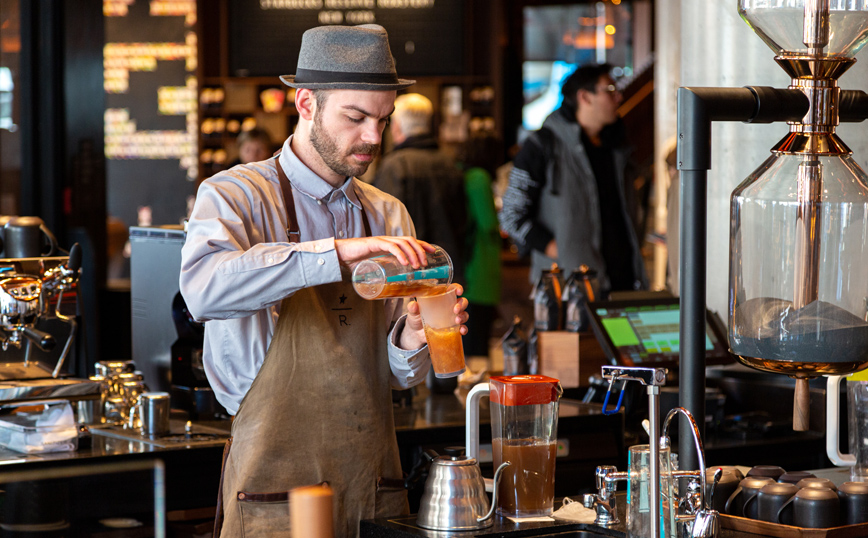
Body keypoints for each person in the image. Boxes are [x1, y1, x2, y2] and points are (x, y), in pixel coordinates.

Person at [179, 25, 469, 538]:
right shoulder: (235, 195)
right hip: (273, 495)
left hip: (370, 488)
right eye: (355, 118)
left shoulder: (388, 212)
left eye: (383, 120)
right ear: (307, 102)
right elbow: (204, 291)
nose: (373, 139)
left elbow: (400, 375)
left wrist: (411, 339)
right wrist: (334, 253)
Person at [500, 63, 647, 295]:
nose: (618, 97)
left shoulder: (617, 147)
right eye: (609, 90)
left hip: (624, 284)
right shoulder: (541, 145)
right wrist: (560, 250)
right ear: (585, 97)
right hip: (569, 291)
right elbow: (510, 216)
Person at [373, 93, 467, 283]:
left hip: (410, 273)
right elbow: (463, 222)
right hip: (447, 268)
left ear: (397, 126)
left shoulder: (395, 165)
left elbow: (385, 226)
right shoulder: (450, 162)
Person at [458, 133, 503, 357]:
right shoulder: (479, 178)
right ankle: (477, 390)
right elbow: (488, 223)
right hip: (480, 265)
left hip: (468, 265)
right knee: (477, 342)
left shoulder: (464, 173)